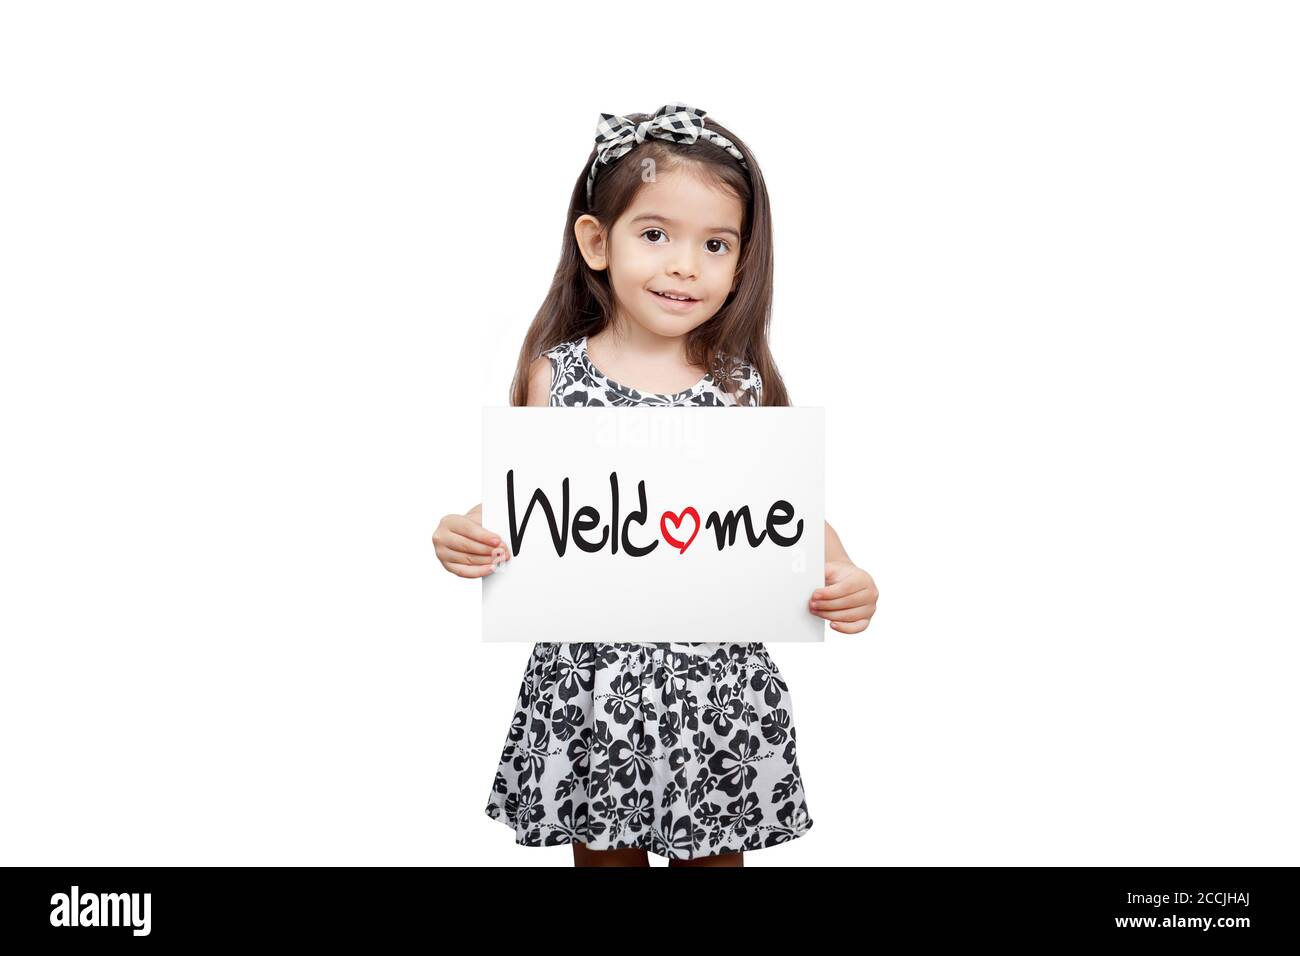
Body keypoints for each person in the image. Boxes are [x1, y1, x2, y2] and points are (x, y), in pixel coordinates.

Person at [432, 103, 879, 867]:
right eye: (655, 235)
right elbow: (536, 501)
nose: (684, 265)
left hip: (715, 689)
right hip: (592, 686)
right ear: (597, 242)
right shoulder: (557, 376)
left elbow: (781, 512)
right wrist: (464, 531)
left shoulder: (739, 386)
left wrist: (843, 571)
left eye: (715, 244)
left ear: (743, 260)